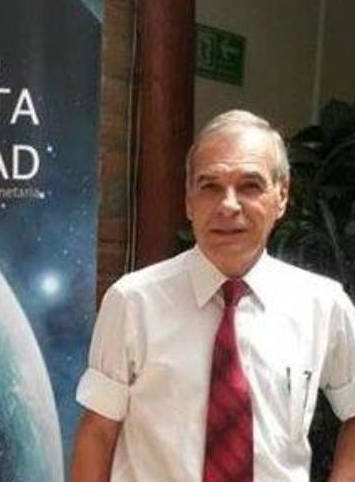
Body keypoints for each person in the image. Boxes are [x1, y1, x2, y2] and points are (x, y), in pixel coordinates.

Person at [71, 110, 355, 482]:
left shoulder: (323, 305)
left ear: (282, 195)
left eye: (250, 186)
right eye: (210, 186)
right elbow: (98, 432)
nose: (228, 205)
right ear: (189, 200)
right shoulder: (133, 301)